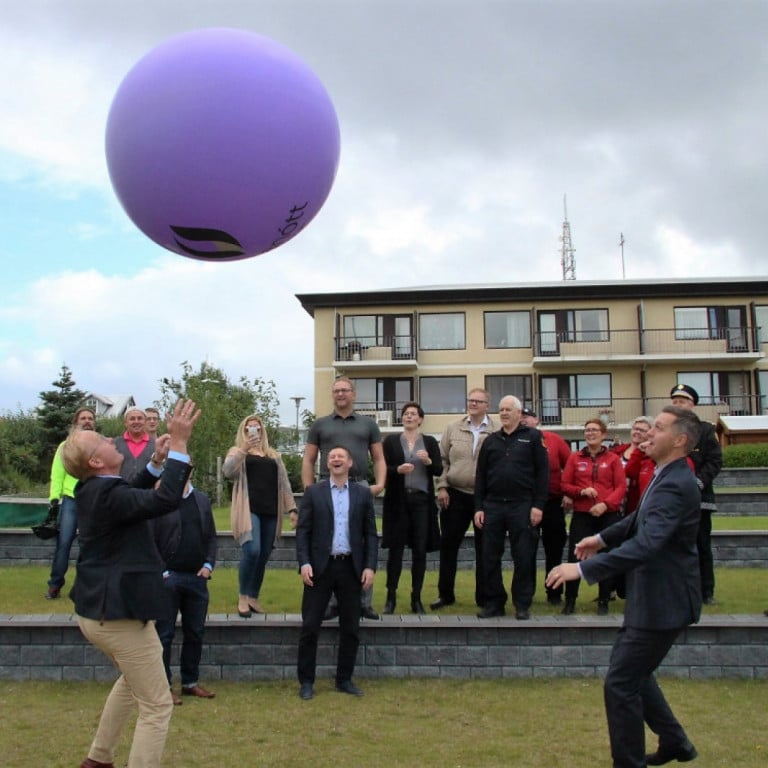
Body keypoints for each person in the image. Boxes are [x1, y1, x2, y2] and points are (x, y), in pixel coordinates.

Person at [546, 405, 703, 768]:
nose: (649, 433)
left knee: (621, 683)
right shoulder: (668, 474)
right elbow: (639, 517)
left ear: (679, 440)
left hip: (665, 603)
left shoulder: (677, 482)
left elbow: (648, 543)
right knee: (631, 672)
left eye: (659, 428)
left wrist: (583, 571)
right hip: (651, 599)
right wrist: (601, 537)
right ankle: (676, 741)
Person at [62, 399, 199, 768]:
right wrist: (181, 444)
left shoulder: (95, 490)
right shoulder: (106, 494)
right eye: (101, 441)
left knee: (131, 681)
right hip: (118, 615)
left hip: (102, 611)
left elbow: (129, 494)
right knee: (157, 705)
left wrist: (155, 462)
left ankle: (98, 758)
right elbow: (165, 499)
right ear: (95, 462)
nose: (110, 439)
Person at [296, 445, 378, 700]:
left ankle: (344, 679)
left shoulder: (363, 495)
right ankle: (307, 681)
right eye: (332, 457)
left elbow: (370, 535)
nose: (336, 459)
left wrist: (370, 566)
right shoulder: (313, 493)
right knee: (310, 626)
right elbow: (303, 532)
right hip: (320, 568)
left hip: (351, 568)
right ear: (327, 464)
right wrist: (304, 563)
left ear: (350, 463)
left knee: (350, 627)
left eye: (341, 456)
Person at [301, 376, 385, 620]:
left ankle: (364, 602)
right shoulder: (320, 425)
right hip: (327, 487)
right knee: (330, 539)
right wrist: (309, 489)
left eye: (345, 390)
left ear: (354, 394)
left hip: (359, 486)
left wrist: (379, 484)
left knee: (360, 540)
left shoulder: (368, 424)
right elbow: (308, 459)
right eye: (336, 390)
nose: (340, 394)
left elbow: (378, 458)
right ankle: (333, 603)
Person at [473, 395, 548, 620]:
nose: (504, 413)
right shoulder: (491, 441)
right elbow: (480, 477)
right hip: (493, 506)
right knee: (489, 556)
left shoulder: (533, 438)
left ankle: (522, 604)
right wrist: (479, 507)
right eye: (501, 409)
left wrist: (538, 505)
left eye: (508, 409)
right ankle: (494, 603)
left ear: (518, 413)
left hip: (522, 505)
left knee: (524, 556)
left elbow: (543, 474)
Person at [151, 470, 217, 705]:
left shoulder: (201, 500)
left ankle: (190, 682)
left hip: (197, 579)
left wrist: (208, 565)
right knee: (164, 635)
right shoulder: (160, 501)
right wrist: (162, 572)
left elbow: (211, 536)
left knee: (195, 632)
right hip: (169, 579)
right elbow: (149, 539)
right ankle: (164, 686)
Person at [223, 414, 297, 617]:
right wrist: (244, 449)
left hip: (271, 511)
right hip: (249, 510)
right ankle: (243, 596)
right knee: (252, 551)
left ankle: (253, 596)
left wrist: (292, 509)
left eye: (257, 427)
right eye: (249, 428)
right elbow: (227, 471)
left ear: (263, 431)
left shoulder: (273, 455)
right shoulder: (237, 452)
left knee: (263, 555)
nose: (254, 431)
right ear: (244, 431)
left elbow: (285, 484)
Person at [430, 387, 496, 611]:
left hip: (485, 499)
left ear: (488, 405)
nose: (473, 404)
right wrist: (442, 487)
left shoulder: (496, 431)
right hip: (455, 495)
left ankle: (484, 597)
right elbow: (442, 460)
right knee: (448, 547)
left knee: (484, 549)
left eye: (478, 401)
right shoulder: (453, 428)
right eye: (470, 400)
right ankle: (445, 595)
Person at [381, 402, 443, 615]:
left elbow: (438, 469)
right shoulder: (390, 441)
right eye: (405, 414)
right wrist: (397, 469)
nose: (409, 417)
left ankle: (416, 598)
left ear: (420, 419)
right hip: (398, 502)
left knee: (419, 550)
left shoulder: (429, 441)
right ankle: (391, 597)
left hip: (421, 503)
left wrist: (428, 461)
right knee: (396, 551)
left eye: (413, 414)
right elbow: (382, 468)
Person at [560, 418, 626, 615]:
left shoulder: (613, 459)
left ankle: (604, 600)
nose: (590, 433)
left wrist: (606, 505)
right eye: (587, 430)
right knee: (576, 554)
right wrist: (581, 492)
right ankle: (570, 600)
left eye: (594, 430)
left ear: (603, 434)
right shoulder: (575, 458)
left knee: (605, 556)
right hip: (582, 514)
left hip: (607, 515)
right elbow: (565, 484)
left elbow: (620, 487)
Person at [670, 383, 722, 605]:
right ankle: (677, 589)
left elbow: (714, 461)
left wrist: (697, 482)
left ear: (692, 405)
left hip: (699, 498)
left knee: (701, 545)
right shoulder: (668, 431)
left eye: (682, 401)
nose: (677, 405)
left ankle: (705, 591)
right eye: (674, 401)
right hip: (672, 500)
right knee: (673, 546)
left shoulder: (706, 430)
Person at [519, 407, 572, 605]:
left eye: (528, 417)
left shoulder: (554, 440)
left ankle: (555, 593)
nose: (524, 420)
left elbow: (570, 465)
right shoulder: (517, 441)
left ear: (537, 420)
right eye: (521, 417)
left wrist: (568, 492)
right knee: (526, 550)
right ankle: (526, 594)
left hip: (552, 502)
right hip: (525, 503)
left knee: (554, 550)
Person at [44, 406, 96, 600]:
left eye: (90, 418)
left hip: (93, 499)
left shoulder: (99, 444)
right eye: (83, 418)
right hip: (71, 500)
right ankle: (55, 584)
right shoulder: (65, 446)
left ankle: (85, 587)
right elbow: (57, 474)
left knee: (89, 545)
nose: (87, 421)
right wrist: (54, 500)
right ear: (76, 422)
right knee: (64, 543)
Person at [611, 416, 654, 516]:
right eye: (635, 429)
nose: (637, 432)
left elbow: (631, 473)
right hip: (614, 503)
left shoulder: (651, 456)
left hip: (635, 503)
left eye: (642, 430)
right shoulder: (617, 451)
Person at [114, 407, 156, 482]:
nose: (136, 422)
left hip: (147, 492)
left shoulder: (155, 445)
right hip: (121, 491)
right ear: (125, 423)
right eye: (132, 419)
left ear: (145, 421)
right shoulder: (115, 444)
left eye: (140, 418)